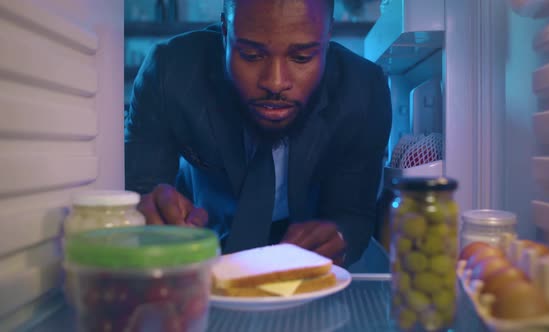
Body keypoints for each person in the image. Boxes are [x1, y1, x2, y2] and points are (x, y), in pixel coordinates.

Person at [125, 0, 392, 267]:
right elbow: (140, 190)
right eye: (251, 55)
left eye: (301, 57)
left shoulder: (364, 92)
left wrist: (340, 238)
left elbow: (353, 213)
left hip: (305, 264)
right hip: (199, 247)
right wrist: (149, 213)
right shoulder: (170, 72)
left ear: (328, 35)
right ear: (225, 31)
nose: (275, 83)